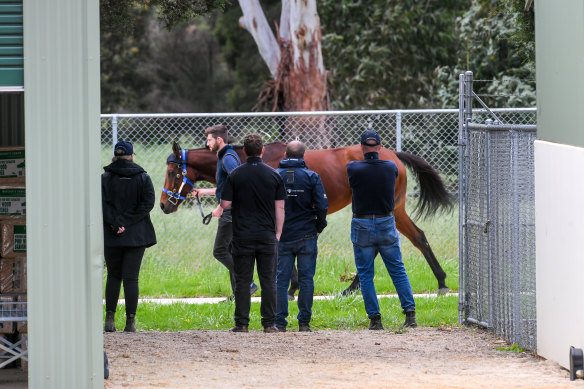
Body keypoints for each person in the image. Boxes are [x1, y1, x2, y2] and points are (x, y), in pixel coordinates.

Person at [346, 130, 417, 330]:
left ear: (361, 147)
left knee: (366, 274)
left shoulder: (353, 168)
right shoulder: (390, 167)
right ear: (380, 146)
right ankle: (410, 314)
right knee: (397, 269)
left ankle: (375, 319)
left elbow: (352, 183)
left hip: (362, 223)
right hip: (386, 222)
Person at [220, 133, 286, 333]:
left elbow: (225, 204)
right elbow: (280, 208)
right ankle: (269, 324)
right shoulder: (274, 174)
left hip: (242, 235)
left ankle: (242, 323)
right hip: (267, 235)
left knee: (242, 280)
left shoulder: (235, 175)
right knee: (268, 281)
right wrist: (278, 233)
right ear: (262, 150)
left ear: (244, 152)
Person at [192, 124, 258, 300]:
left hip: (230, 213)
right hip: (230, 211)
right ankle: (239, 294)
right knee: (231, 251)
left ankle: (248, 283)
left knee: (220, 251)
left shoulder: (228, 158)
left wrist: (221, 206)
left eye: (209, 140)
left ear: (219, 140)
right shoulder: (225, 157)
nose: (207, 144)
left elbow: (238, 183)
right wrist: (204, 192)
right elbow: (226, 185)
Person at [102, 141, 157, 332]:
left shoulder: (105, 178)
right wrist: (127, 221)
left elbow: (101, 205)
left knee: (113, 276)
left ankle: (110, 319)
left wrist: (115, 223)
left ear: (115, 157)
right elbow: (148, 203)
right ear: (132, 156)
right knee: (131, 278)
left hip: (111, 234)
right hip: (136, 235)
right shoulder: (142, 177)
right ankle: (130, 322)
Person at [275, 141, 328, 332]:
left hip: (282, 236)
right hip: (306, 234)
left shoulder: (276, 176)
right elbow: (322, 205)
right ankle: (304, 322)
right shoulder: (312, 177)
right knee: (307, 279)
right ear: (303, 156)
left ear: (285, 154)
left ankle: (279, 323)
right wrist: (319, 226)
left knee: (280, 280)